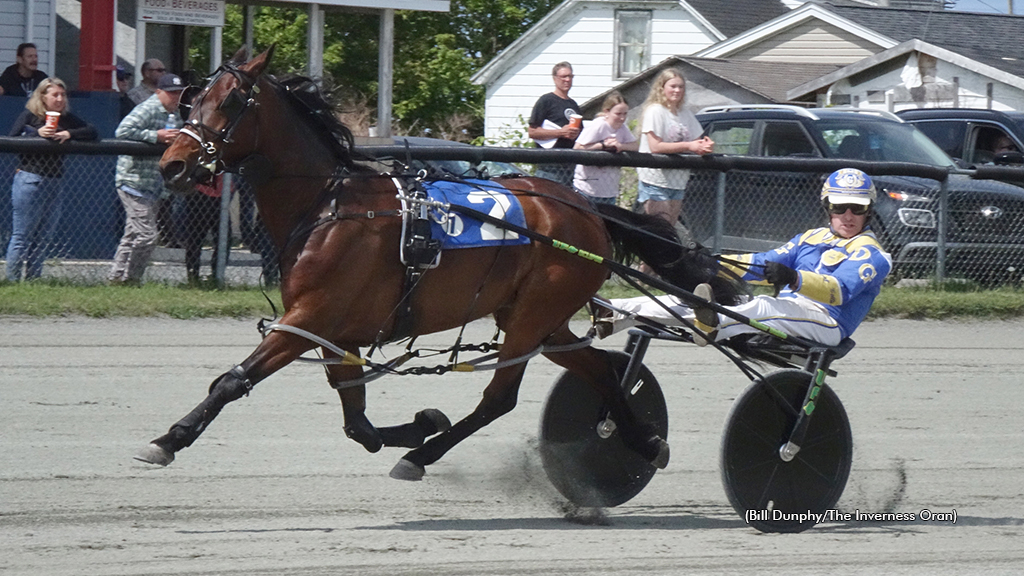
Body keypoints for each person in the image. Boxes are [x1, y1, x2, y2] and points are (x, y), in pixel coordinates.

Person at [596, 168, 892, 347]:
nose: (848, 216)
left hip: (828, 322)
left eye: (857, 208)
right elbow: (765, 261)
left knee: (761, 304)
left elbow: (838, 290)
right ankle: (616, 311)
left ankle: (712, 325)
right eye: (840, 208)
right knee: (703, 297)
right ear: (828, 207)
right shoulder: (811, 238)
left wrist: (793, 277)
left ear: (869, 210)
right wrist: (714, 262)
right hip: (791, 310)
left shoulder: (873, 254)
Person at [4, 78, 97, 281]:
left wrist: (68, 133)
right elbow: (12, 139)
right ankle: (11, 281)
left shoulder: (66, 118)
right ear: (42, 96)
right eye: (54, 95)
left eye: (62, 95)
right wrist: (36, 133)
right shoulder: (30, 116)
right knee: (22, 235)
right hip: (30, 179)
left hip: (55, 180)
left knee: (44, 236)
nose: (60, 99)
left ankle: (34, 280)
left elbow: (92, 131)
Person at [108, 73, 185, 285]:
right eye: (171, 93)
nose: (175, 97)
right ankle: (132, 279)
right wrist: (155, 136)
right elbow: (122, 131)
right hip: (133, 180)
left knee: (132, 235)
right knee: (147, 236)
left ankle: (116, 279)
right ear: (158, 92)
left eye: (178, 93)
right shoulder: (148, 108)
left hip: (153, 184)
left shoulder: (176, 114)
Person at [636, 69, 714, 226]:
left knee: (670, 229)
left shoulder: (685, 113)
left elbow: (696, 140)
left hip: (678, 181)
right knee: (661, 228)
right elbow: (655, 146)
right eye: (673, 86)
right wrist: (688, 145)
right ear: (662, 87)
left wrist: (704, 146)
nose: (677, 90)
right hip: (655, 179)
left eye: (681, 87)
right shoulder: (655, 111)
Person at [572, 91, 638, 205]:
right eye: (618, 114)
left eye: (625, 114)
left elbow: (635, 146)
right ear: (607, 112)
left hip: (609, 191)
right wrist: (602, 145)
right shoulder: (598, 125)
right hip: (587, 189)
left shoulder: (622, 128)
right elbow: (578, 147)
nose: (622, 118)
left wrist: (621, 146)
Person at [527, 62, 581, 186]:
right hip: (549, 167)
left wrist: (574, 134)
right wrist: (561, 133)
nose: (567, 80)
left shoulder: (573, 105)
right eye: (563, 77)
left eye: (570, 76)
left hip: (569, 166)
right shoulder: (546, 101)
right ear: (555, 78)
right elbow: (532, 132)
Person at [174, 175, 228, 285]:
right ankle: (193, 276)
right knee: (196, 237)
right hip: (200, 192)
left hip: (222, 192)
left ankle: (216, 275)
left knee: (224, 238)